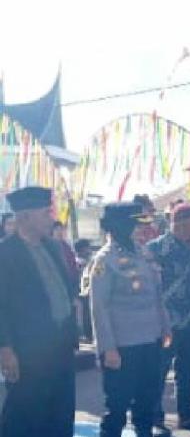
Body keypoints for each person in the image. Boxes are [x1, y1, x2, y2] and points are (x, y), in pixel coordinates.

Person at [0, 186, 78, 437]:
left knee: (61, 413)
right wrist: (5, 347)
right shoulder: (5, 253)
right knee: (25, 415)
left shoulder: (54, 247)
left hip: (61, 346)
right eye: (46, 213)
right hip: (27, 350)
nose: (52, 218)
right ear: (25, 217)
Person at [89, 202, 172, 437]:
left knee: (147, 398)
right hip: (122, 344)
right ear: (120, 226)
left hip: (150, 339)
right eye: (136, 224)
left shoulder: (144, 253)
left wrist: (165, 327)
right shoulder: (104, 260)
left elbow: (157, 295)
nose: (141, 229)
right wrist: (108, 348)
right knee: (117, 404)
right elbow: (99, 307)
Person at [147, 204, 190, 435]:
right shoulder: (155, 249)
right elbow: (148, 289)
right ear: (182, 223)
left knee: (188, 370)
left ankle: (186, 415)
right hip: (165, 321)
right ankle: (154, 417)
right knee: (158, 370)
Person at [75, 238, 95, 342]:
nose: (89, 249)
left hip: (89, 290)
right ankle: (88, 334)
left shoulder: (89, 260)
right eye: (87, 247)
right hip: (84, 291)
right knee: (86, 313)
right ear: (82, 249)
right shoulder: (79, 262)